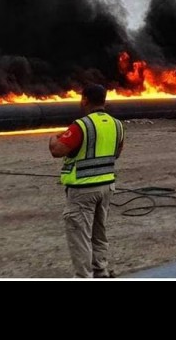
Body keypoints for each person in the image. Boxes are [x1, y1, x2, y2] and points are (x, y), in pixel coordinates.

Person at [48, 84, 124, 278]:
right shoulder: (117, 125)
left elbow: (57, 150)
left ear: (85, 100)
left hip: (83, 189)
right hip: (107, 187)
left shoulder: (81, 125)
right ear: (104, 100)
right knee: (99, 232)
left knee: (79, 235)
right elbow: (116, 153)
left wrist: (53, 138)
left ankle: (83, 276)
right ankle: (100, 270)